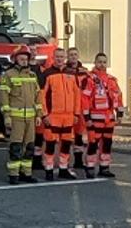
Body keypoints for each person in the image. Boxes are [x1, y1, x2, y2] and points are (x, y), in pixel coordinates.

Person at [0, 45, 42, 184]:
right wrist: (6, 116)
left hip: (30, 117)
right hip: (15, 118)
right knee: (16, 146)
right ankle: (13, 174)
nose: (24, 61)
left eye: (26, 59)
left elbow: (37, 97)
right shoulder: (8, 75)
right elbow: (3, 97)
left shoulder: (32, 76)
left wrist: (39, 115)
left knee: (29, 146)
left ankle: (26, 173)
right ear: (15, 59)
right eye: (21, 58)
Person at [40, 51, 84, 180]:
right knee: (50, 143)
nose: (60, 59)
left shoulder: (71, 73)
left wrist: (76, 113)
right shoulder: (47, 74)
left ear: (65, 58)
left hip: (69, 116)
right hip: (52, 115)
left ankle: (63, 169)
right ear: (53, 58)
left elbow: (77, 95)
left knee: (66, 143)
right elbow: (41, 96)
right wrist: (44, 114)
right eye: (57, 57)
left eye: (62, 57)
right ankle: (49, 169)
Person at [81, 53, 124, 178]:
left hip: (109, 118)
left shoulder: (112, 80)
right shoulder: (89, 79)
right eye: (99, 61)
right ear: (95, 62)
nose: (102, 64)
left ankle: (104, 167)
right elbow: (84, 99)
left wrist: (119, 114)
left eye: (104, 62)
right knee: (93, 143)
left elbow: (118, 97)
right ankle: (89, 167)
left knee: (107, 143)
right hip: (95, 117)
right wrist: (87, 118)